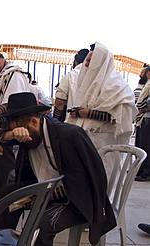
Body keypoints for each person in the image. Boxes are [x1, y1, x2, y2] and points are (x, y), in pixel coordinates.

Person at [0, 92, 116, 246]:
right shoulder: (28, 132)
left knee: (40, 222)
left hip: (75, 200)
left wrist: (41, 198)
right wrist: (12, 134)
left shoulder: (70, 135)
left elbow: (88, 182)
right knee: (7, 196)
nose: (21, 139)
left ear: (34, 122)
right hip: (45, 191)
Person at [67, 42, 137, 180]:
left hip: (104, 143)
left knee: (100, 181)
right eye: (86, 60)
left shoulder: (117, 85)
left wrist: (86, 113)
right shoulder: (86, 82)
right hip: (82, 141)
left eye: (89, 61)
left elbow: (121, 117)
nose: (86, 64)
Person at [0, 50, 36, 200]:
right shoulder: (3, 76)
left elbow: (12, 101)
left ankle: (6, 191)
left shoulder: (14, 74)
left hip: (9, 124)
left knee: (5, 158)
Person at [54, 48, 90, 122]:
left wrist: (55, 121)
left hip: (73, 123)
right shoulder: (98, 76)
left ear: (75, 61)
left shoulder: (71, 76)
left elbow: (60, 102)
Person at [134, 65, 150, 181]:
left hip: (147, 120)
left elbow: (141, 104)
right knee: (140, 145)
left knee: (146, 147)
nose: (141, 74)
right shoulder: (146, 86)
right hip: (142, 120)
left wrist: (143, 109)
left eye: (143, 72)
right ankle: (139, 169)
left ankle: (146, 172)